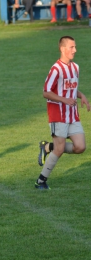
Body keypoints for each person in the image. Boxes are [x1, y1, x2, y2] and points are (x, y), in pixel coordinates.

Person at [35, 36, 91, 189]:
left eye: (75, 47)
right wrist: (64, 100)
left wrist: (82, 96)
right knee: (60, 149)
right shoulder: (56, 69)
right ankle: (41, 181)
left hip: (72, 115)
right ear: (62, 49)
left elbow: (70, 88)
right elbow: (46, 92)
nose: (75, 50)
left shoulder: (75, 67)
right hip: (58, 115)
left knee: (80, 147)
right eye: (72, 47)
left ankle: (48, 147)